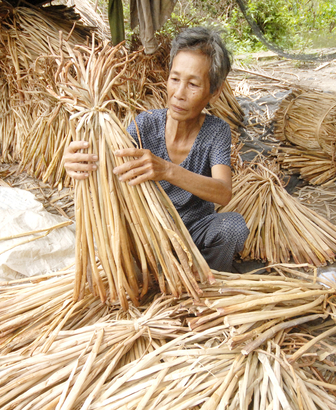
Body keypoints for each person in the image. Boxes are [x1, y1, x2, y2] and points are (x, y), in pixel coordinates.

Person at [63, 27, 249, 272]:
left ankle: (208, 284)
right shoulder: (146, 124)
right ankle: (161, 274)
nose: (179, 94)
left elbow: (223, 192)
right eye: (174, 79)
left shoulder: (216, 131)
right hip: (148, 231)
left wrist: (167, 170)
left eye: (193, 84)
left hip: (194, 232)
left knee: (232, 226)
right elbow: (111, 165)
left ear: (214, 92)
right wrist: (77, 162)